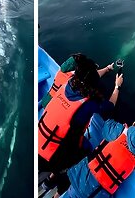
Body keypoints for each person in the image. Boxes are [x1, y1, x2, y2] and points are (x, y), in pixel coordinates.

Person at [38, 53, 124, 194]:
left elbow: (88, 78)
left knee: (64, 153)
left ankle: (49, 181)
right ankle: (60, 191)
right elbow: (109, 107)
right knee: (83, 160)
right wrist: (117, 87)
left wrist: (108, 68)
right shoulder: (88, 104)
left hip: (39, 145)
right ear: (92, 83)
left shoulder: (67, 83)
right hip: (52, 157)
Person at [60, 115, 135, 198]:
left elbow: (106, 125)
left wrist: (123, 127)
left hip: (83, 179)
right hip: (99, 194)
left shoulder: (120, 131)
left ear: (134, 123)